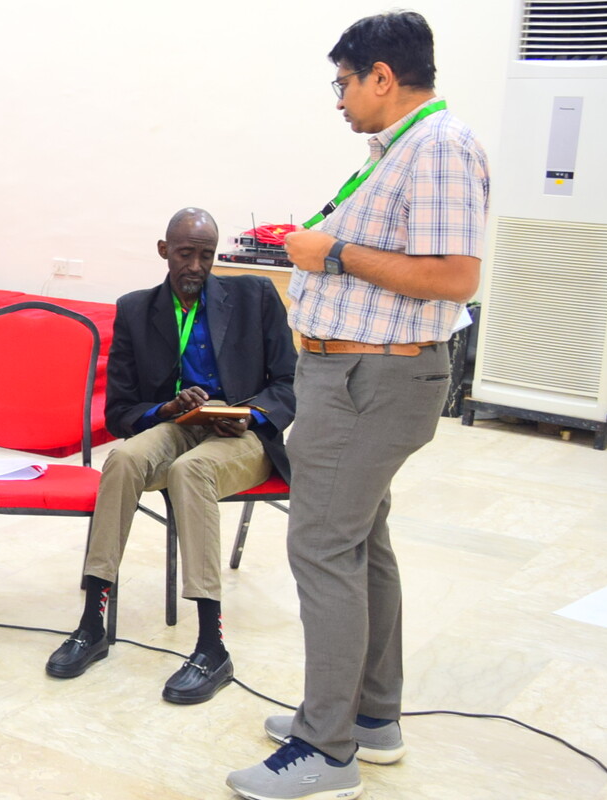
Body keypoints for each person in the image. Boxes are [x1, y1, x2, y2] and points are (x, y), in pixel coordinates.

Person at [228, 13, 489, 800]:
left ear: (382, 75)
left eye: (343, 82)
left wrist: (331, 252)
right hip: (355, 375)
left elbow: (454, 277)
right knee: (362, 544)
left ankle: (326, 749)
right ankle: (371, 719)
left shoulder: (440, 147)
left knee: (321, 549)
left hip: (372, 381)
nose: (338, 99)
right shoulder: (402, 151)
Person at [45, 208, 296, 706]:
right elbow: (119, 412)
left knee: (192, 471)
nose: (196, 266)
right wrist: (165, 408)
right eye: (186, 254)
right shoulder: (137, 309)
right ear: (164, 251)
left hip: (243, 434)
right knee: (122, 461)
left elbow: (290, 383)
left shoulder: (255, 297)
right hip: (177, 425)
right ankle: (93, 623)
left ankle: (211, 645)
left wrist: (250, 414)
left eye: (206, 255)